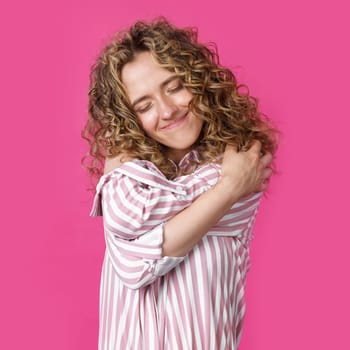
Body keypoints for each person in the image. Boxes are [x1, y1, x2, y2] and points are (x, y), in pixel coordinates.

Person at [83, 17, 277, 350]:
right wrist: (228, 189)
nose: (168, 110)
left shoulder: (241, 164)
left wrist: (230, 187)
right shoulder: (234, 176)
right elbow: (135, 256)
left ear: (198, 79)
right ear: (129, 119)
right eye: (144, 106)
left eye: (174, 87)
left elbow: (135, 258)